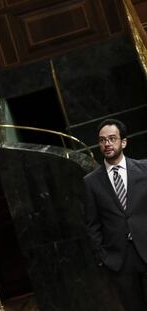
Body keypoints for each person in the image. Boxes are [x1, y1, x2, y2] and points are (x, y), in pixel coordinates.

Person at [84, 118, 147, 311]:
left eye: (112, 138)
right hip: (120, 260)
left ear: (124, 142)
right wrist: (104, 257)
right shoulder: (91, 182)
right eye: (103, 140)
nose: (107, 144)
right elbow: (92, 224)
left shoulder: (145, 168)